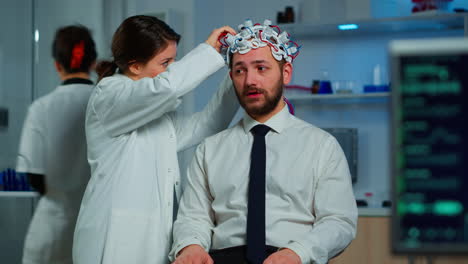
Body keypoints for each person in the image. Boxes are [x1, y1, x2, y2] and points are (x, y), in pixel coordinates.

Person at [170, 19, 358, 264]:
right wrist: (191, 246)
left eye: (261, 68)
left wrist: (298, 253)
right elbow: (193, 218)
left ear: (286, 72)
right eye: (240, 70)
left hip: (292, 257)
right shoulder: (209, 150)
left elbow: (338, 221)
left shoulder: (322, 146)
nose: (250, 81)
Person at [72, 15, 238, 264]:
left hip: (151, 239)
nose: (172, 68)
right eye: (165, 62)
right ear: (135, 66)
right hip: (114, 240)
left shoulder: (154, 114)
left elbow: (206, 125)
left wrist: (237, 74)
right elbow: (167, 87)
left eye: (174, 60)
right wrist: (209, 51)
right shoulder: (109, 95)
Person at [16, 25, 97, 264]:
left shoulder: (41, 108)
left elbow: (34, 177)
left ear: (57, 65)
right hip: (96, 228)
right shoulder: (108, 105)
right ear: (93, 63)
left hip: (51, 229)